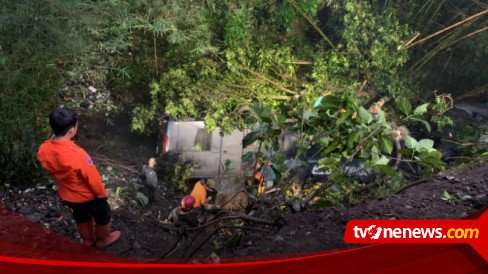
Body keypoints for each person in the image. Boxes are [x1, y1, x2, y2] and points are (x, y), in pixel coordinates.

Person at [37, 107, 121, 249]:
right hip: (88, 196)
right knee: (104, 215)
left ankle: (88, 241)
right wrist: (102, 193)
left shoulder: (44, 149)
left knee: (81, 217)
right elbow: (92, 179)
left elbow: (49, 166)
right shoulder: (78, 154)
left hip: (68, 196)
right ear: (72, 130)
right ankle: (103, 240)